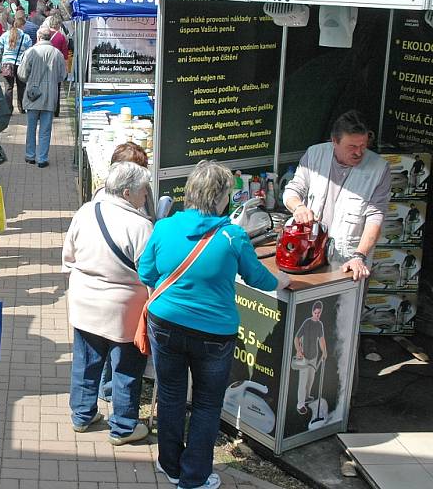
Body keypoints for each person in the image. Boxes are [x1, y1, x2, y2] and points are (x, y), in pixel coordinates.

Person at [139, 160, 288, 489]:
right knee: (207, 404)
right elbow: (260, 278)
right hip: (214, 334)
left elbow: (146, 273)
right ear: (220, 197)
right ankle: (193, 477)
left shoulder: (163, 227)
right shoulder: (232, 236)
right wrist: (286, 278)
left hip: (165, 324)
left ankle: (170, 464)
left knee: (172, 395)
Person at [62, 162, 153, 445]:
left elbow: (69, 256)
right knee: (126, 367)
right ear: (127, 192)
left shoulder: (86, 211)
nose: (146, 195)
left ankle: (82, 414)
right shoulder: (141, 226)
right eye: (142, 191)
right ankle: (124, 426)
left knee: (86, 361)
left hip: (84, 301)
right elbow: (149, 273)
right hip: (125, 311)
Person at [283, 110, 391, 279]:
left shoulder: (380, 168)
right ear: (334, 141)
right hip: (311, 253)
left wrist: (359, 256)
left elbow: (375, 217)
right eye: (352, 147)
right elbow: (293, 189)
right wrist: (298, 207)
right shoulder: (314, 154)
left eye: (363, 146)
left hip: (349, 261)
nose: (359, 152)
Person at [18, 26, 66, 168]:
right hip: (50, 96)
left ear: (38, 37)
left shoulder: (30, 52)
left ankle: (30, 156)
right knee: (45, 129)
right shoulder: (57, 54)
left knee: (31, 127)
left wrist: (31, 80)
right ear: (49, 37)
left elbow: (21, 74)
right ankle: (42, 158)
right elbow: (62, 76)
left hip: (33, 95)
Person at [293, 301, 327, 416]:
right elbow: (296, 338)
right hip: (304, 357)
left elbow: (321, 339)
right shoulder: (307, 322)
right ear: (312, 312)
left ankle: (307, 397)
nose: (317, 315)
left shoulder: (320, 324)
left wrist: (324, 351)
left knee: (310, 379)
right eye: (316, 313)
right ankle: (300, 405)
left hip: (314, 356)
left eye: (319, 313)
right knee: (302, 381)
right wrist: (298, 350)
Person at [0, 18, 32, 113]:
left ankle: (8, 109)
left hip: (7, 64)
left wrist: (4, 50)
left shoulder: (6, 35)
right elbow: (30, 49)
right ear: (22, 26)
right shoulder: (25, 36)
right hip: (20, 64)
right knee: (21, 86)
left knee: (8, 87)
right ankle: (22, 107)